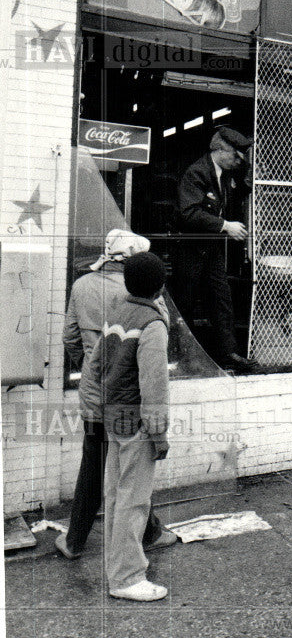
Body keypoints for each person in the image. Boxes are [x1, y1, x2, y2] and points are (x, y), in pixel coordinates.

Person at [56, 230, 177, 560]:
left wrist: (92, 366)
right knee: (130, 472)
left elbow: (69, 338)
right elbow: (157, 337)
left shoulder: (82, 286)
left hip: (94, 392)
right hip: (127, 399)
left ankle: (76, 541)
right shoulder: (139, 295)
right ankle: (138, 547)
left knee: (95, 462)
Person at [89, 251, 172, 601]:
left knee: (116, 495)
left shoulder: (117, 313)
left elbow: (94, 368)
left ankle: (119, 568)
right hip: (137, 420)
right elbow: (154, 387)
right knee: (134, 499)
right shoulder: (152, 323)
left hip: (113, 416)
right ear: (161, 286)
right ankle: (126, 578)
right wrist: (159, 434)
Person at [174, 127, 259, 373]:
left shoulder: (224, 174)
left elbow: (242, 189)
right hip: (190, 249)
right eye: (234, 155)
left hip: (210, 250)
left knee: (221, 300)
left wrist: (250, 170)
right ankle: (183, 357)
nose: (237, 161)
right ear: (219, 150)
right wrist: (225, 226)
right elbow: (188, 213)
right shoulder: (196, 173)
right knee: (186, 303)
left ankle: (228, 355)